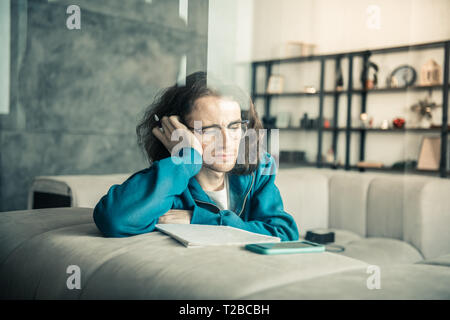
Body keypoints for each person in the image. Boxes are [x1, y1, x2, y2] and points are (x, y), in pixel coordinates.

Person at [93, 71, 299, 241]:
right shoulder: (170, 180)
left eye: (235, 126)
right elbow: (115, 220)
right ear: (176, 130)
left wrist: (200, 219)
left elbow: (284, 233)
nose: (227, 141)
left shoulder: (260, 168)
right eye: (209, 130)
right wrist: (186, 159)